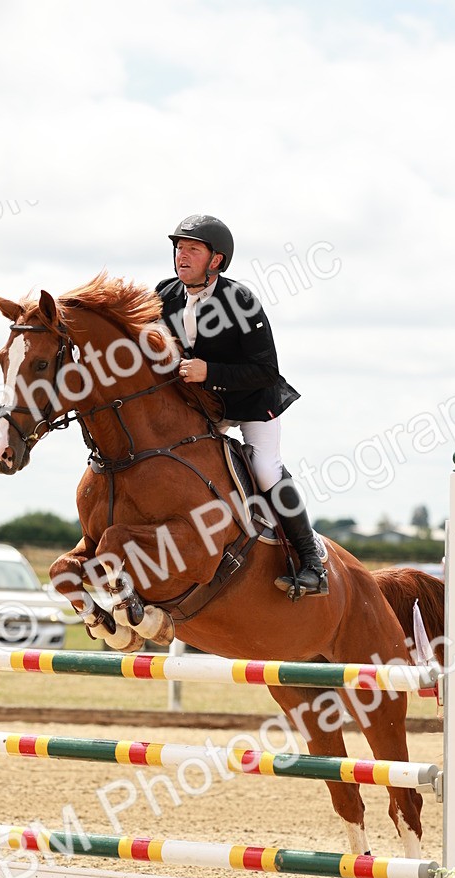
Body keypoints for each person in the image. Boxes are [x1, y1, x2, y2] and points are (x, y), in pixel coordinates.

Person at [156, 214, 328, 598]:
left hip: (251, 401)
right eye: (179, 248)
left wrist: (209, 372)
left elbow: (266, 371)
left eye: (192, 250)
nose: (182, 256)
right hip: (204, 405)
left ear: (216, 260)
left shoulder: (241, 301)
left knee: (264, 467)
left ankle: (312, 563)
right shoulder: (165, 294)